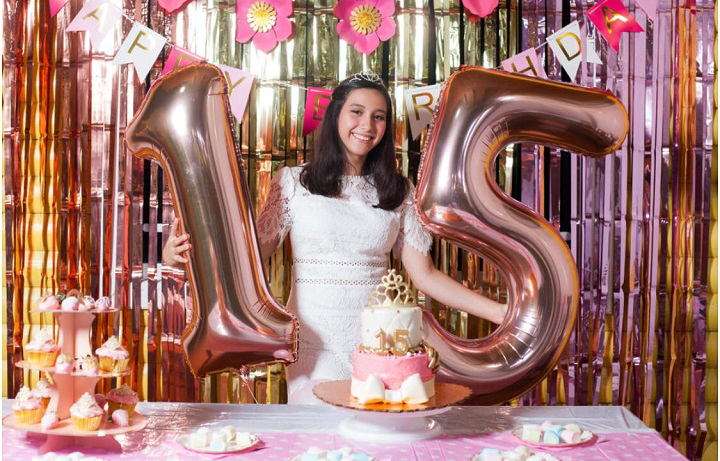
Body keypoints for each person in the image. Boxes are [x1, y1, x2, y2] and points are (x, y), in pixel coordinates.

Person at [163, 71, 508, 402]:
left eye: (378, 117)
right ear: (335, 116)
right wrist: (181, 258)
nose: (367, 125)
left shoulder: (398, 190)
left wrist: (498, 312)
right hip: (313, 344)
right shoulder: (293, 183)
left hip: (379, 345)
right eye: (356, 112)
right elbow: (246, 260)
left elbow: (425, 276)